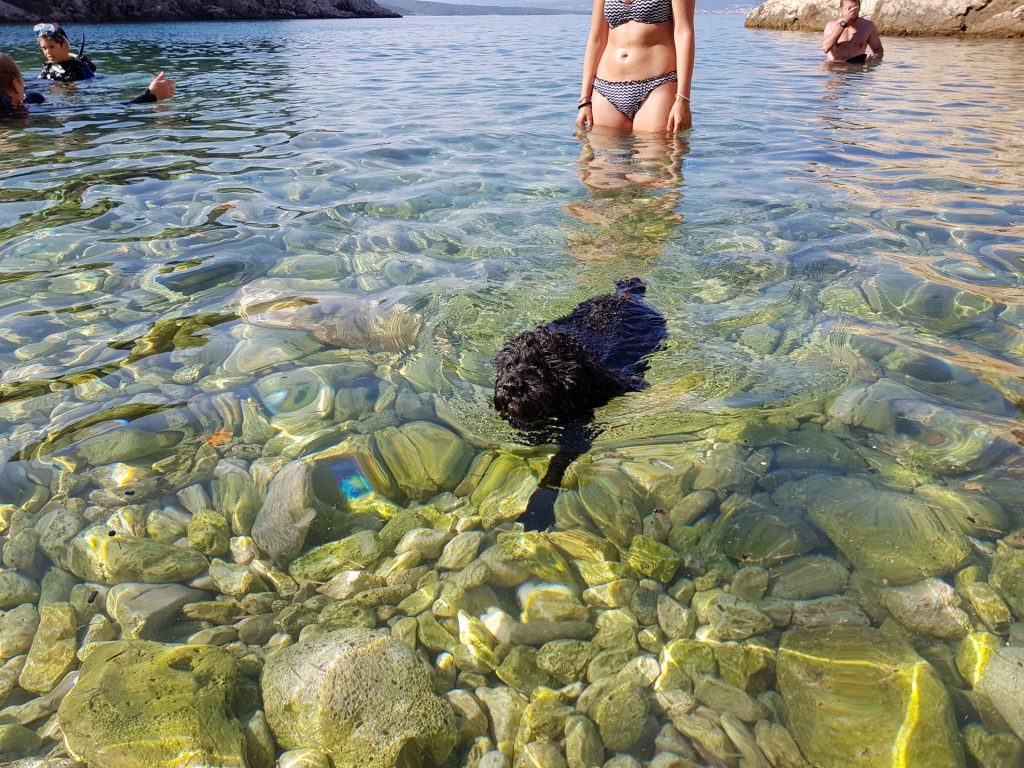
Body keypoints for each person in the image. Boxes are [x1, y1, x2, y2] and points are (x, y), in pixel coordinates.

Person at [575, 0, 695, 134]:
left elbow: (683, 33)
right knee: (605, 153)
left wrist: (683, 98)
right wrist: (584, 100)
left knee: (657, 152)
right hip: (605, 88)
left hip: (657, 85)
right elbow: (596, 39)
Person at [0, 53, 174, 118]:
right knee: (35, 98)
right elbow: (97, 110)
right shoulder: (21, 111)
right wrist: (149, 97)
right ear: (16, 85)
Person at [821, 0, 883, 64]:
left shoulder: (868, 26)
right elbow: (825, 48)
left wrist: (876, 56)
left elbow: (878, 50)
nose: (852, 12)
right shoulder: (831, 26)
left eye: (855, 8)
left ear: (859, 9)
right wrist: (844, 24)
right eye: (849, 9)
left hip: (856, 68)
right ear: (840, 10)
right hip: (834, 69)